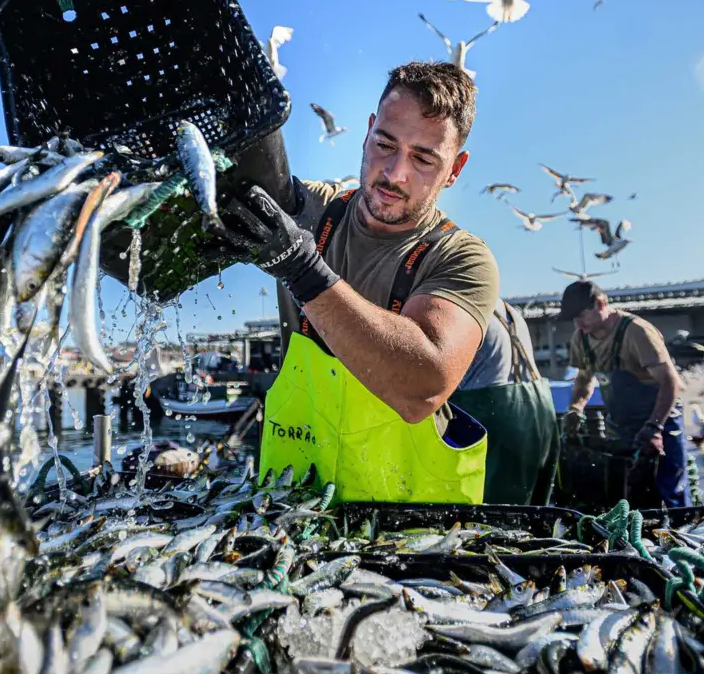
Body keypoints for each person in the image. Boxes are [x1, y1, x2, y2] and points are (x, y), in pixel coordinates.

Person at [212, 61, 500, 503]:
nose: (395, 173)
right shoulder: (310, 213)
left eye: (423, 158)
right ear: (367, 133)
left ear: (455, 169)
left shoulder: (461, 259)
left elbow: (422, 387)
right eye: (385, 144)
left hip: (413, 525)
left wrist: (302, 269)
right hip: (289, 504)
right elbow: (227, 185)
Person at [558, 280, 686, 507]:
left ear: (601, 303)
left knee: (667, 497)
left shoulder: (637, 332)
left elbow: (671, 383)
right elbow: (584, 380)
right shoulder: (581, 338)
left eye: (582, 315)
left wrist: (655, 427)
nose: (578, 323)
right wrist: (575, 408)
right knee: (626, 498)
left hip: (660, 423)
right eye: (574, 318)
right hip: (621, 428)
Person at [448, 299, 560, 505]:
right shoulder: (510, 311)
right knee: (532, 508)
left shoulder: (463, 306)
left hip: (494, 413)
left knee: (489, 510)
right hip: (540, 411)